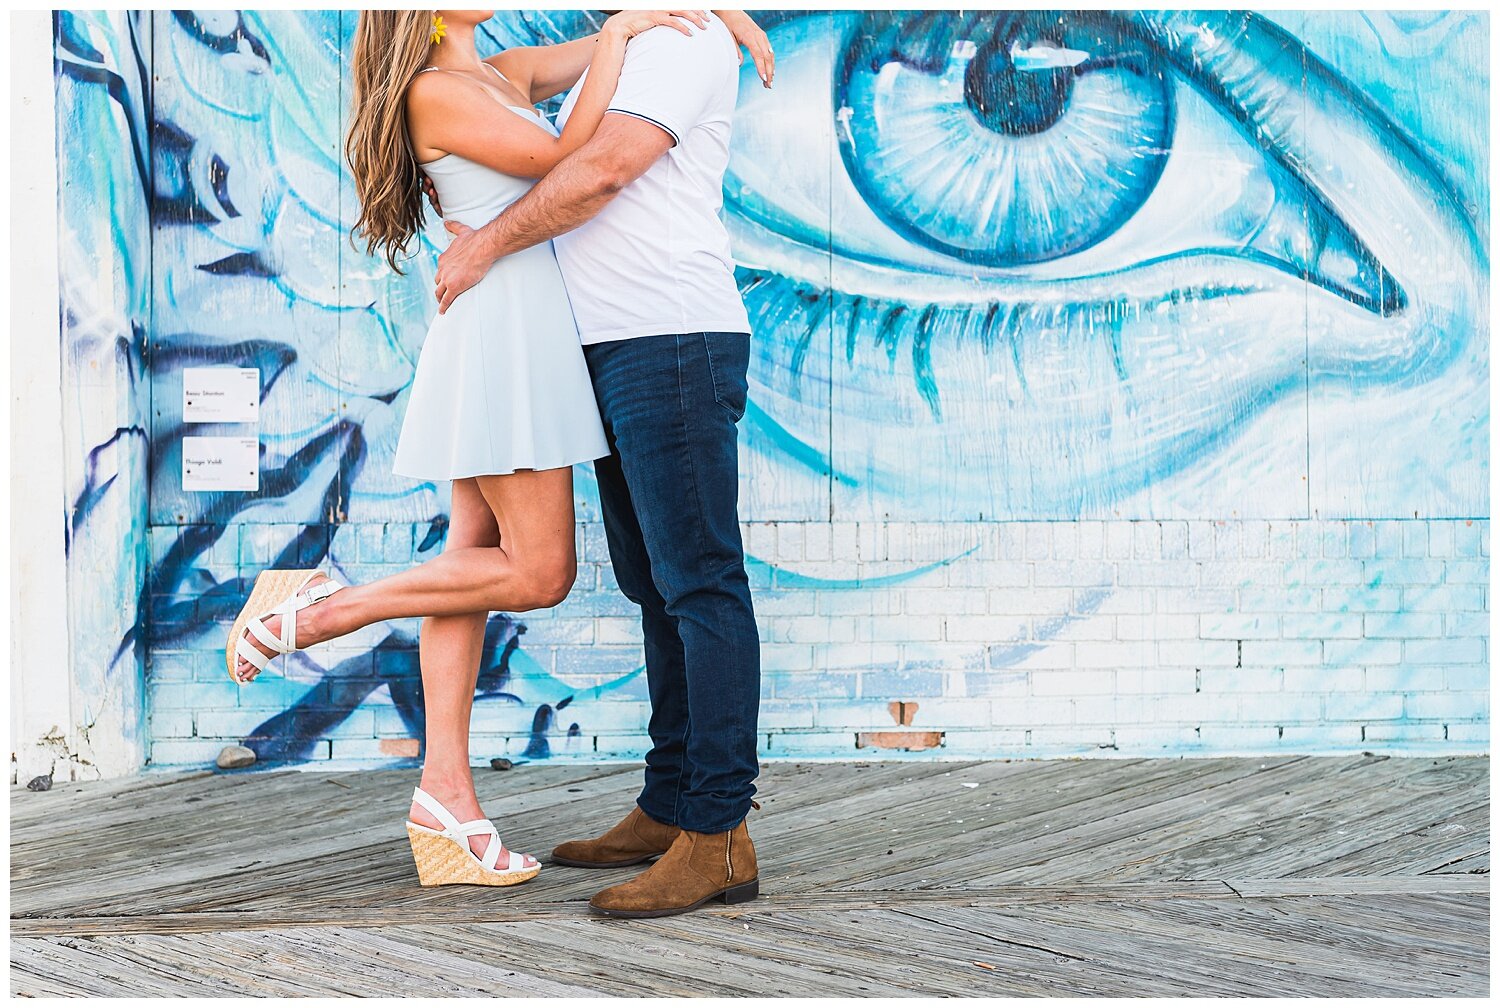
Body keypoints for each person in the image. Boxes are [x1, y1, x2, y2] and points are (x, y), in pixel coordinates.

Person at [222, 8, 769, 892]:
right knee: (542, 572)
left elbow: (602, 72)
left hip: (565, 332)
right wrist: (486, 244)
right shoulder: (438, 91)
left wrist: (681, 20)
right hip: (509, 329)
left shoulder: (506, 71)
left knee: (500, 564)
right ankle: (321, 610)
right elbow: (572, 168)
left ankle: (453, 802)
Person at [431, 9, 770, 918]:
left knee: (700, 582)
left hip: (669, 337)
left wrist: (484, 245)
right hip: (612, 345)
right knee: (654, 585)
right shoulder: (636, 37)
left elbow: (605, 170)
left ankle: (719, 836)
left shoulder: (682, 40)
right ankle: (669, 804)